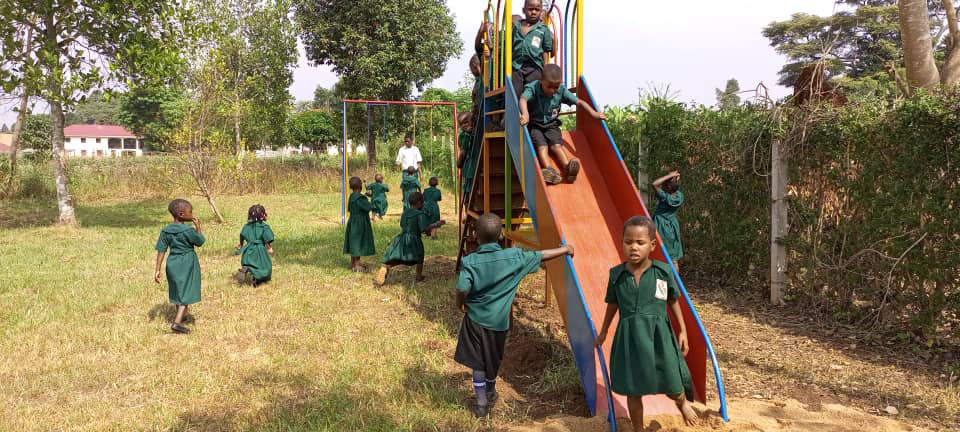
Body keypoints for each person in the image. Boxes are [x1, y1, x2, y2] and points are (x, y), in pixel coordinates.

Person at [454, 213, 574, 418]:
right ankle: (491, 392)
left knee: (478, 362)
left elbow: (462, 288)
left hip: (475, 321)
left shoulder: (470, 261)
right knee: (493, 359)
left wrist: (461, 305)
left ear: (476, 235)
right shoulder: (515, 257)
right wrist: (565, 249)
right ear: (501, 234)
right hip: (499, 324)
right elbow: (541, 255)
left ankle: (481, 403)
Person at [594, 216, 699, 431]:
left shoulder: (662, 272)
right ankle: (638, 428)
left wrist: (683, 331)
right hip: (630, 337)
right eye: (628, 241)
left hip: (659, 334)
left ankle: (682, 403)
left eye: (640, 243)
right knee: (634, 388)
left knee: (670, 376)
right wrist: (604, 331)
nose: (633, 247)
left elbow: (673, 301)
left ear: (651, 245)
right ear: (622, 242)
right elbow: (612, 305)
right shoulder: (617, 275)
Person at [519, 64, 606, 184]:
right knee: (541, 146)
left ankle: (567, 168)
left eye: (556, 87)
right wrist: (525, 114)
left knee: (556, 146)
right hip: (535, 124)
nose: (552, 90)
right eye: (549, 87)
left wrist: (594, 113)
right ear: (542, 81)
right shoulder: (533, 87)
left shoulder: (561, 90)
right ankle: (549, 170)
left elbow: (579, 102)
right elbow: (523, 99)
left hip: (551, 125)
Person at [154, 199, 205, 334]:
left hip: (172, 263)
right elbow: (200, 242)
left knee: (178, 290)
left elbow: (161, 250)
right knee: (186, 292)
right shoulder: (188, 230)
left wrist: (157, 269)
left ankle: (182, 316)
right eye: (190, 211)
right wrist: (198, 227)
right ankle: (177, 323)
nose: (192, 213)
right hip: (186, 262)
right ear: (182, 214)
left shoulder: (166, 231)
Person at [376, 191, 445, 284]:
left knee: (398, 258)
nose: (423, 204)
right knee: (420, 256)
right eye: (423, 202)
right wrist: (436, 224)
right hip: (414, 239)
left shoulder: (405, 212)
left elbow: (402, 224)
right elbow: (423, 229)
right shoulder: (419, 215)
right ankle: (418, 276)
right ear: (419, 203)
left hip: (402, 238)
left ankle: (386, 267)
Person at [511, 0, 554, 99]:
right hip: (517, 66)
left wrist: (546, 70)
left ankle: (532, 113)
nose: (533, 12)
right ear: (524, 10)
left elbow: (546, 51)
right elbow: (510, 46)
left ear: (541, 11)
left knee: (534, 94)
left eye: (537, 10)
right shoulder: (517, 27)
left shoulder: (543, 29)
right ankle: (517, 113)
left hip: (534, 67)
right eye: (530, 9)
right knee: (515, 93)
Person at [234, 204, 275, 287]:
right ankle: (257, 280)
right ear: (262, 215)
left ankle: (245, 268)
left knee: (249, 263)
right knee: (265, 267)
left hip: (248, 250)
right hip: (260, 250)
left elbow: (242, 234)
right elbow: (267, 237)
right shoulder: (264, 227)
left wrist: (241, 245)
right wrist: (269, 247)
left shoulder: (246, 226)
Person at [652, 171, 684, 270]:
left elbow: (654, 184)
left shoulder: (665, 197)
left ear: (668, 187)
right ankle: (674, 282)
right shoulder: (679, 196)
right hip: (672, 227)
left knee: (659, 254)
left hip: (661, 226)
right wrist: (674, 179)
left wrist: (669, 176)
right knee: (673, 258)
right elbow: (674, 187)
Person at [343, 176, 376, 272]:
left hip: (352, 221)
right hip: (360, 223)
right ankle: (357, 266)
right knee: (358, 243)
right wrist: (371, 197)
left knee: (354, 242)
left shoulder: (352, 196)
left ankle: (353, 263)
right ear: (361, 186)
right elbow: (369, 207)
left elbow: (349, 208)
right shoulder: (361, 198)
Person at [456, 113, 478, 195]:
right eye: (461, 124)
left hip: (474, 160)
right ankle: (467, 196)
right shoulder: (462, 135)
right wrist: (468, 134)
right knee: (468, 184)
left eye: (466, 122)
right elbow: (464, 147)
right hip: (468, 161)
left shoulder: (476, 131)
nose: (464, 125)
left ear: (472, 122)